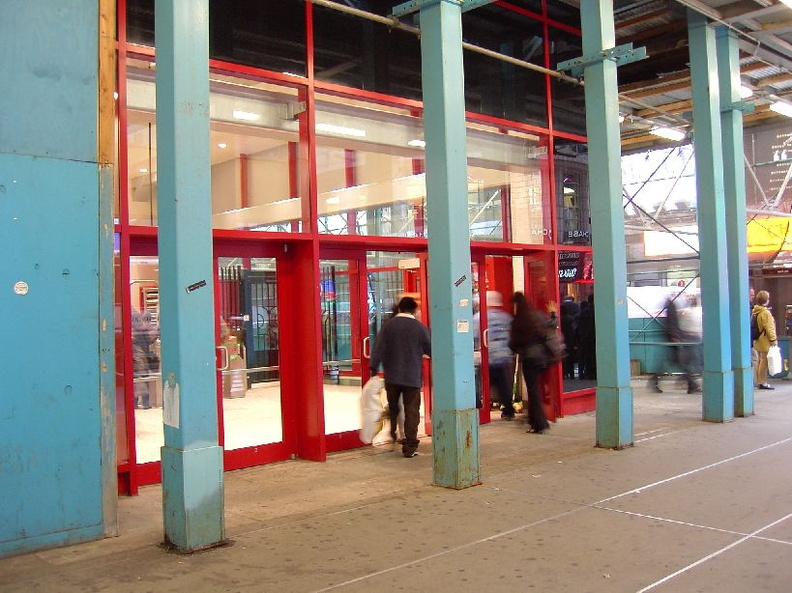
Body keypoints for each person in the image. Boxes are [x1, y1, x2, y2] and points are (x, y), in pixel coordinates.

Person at [369, 296, 431, 457]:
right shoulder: (420, 327)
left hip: (392, 376)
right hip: (412, 376)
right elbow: (430, 349)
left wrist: (373, 368)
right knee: (412, 411)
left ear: (399, 309)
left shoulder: (389, 326)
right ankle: (410, 446)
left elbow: (379, 348)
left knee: (394, 406)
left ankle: (393, 432)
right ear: (415, 310)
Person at [509, 292, 551, 434]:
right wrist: (554, 315)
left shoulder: (518, 320)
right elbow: (547, 331)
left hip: (528, 358)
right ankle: (540, 421)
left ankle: (538, 423)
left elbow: (514, 343)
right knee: (536, 390)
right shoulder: (537, 315)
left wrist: (516, 349)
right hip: (542, 358)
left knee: (533, 391)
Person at [474, 291, 515, 419]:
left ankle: (479, 408)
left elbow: (474, 336)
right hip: (503, 356)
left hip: (488, 357)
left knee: (481, 385)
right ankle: (508, 410)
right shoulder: (505, 317)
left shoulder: (478, 317)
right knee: (503, 386)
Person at [752, 290, 778, 390]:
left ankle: (759, 380)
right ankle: (762, 382)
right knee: (764, 361)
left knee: (760, 361)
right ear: (766, 300)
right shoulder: (765, 312)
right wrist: (773, 340)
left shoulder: (756, 311)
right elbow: (769, 327)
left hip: (758, 339)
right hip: (765, 340)